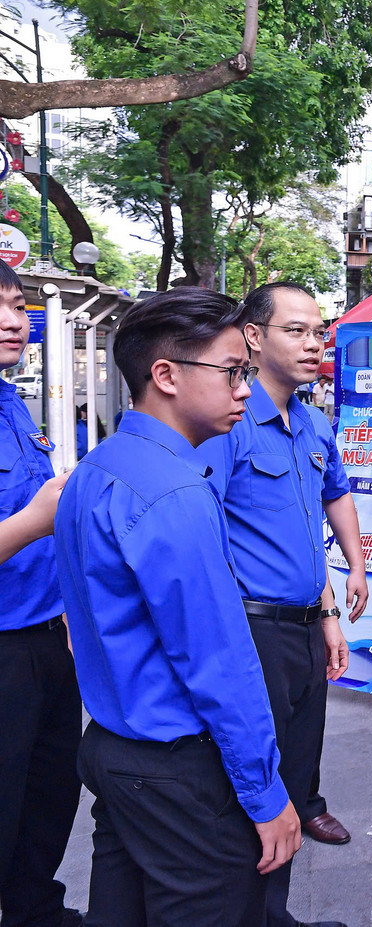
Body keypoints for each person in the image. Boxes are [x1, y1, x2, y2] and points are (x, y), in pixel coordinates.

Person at [54, 288, 300, 927]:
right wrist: (267, 793)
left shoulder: (95, 470)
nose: (244, 389)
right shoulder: (174, 493)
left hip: (114, 750)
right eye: (231, 371)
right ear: (164, 375)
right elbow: (219, 661)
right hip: (178, 771)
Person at [196, 281, 366, 927]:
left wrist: (330, 604)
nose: (313, 342)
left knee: (295, 771)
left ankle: (274, 912)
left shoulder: (314, 420)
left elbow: (319, 509)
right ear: (254, 336)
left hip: (302, 625)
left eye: (318, 330)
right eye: (296, 329)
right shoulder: (230, 425)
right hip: (251, 630)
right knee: (251, 782)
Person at [0, 261, 83, 927]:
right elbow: (30, 521)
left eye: (16, 304)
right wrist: (37, 518)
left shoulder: (9, 400)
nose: (12, 320)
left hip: (48, 638)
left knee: (49, 793)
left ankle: (36, 913)